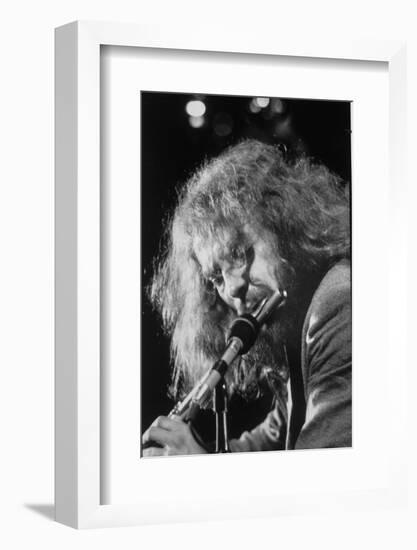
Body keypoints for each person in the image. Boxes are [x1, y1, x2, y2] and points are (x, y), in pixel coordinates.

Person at [142, 139, 351, 456]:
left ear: (285, 229)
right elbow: (271, 440)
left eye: (239, 254)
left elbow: (319, 482)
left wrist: (202, 473)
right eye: (216, 277)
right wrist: (183, 458)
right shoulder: (293, 332)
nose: (232, 289)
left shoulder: (337, 304)